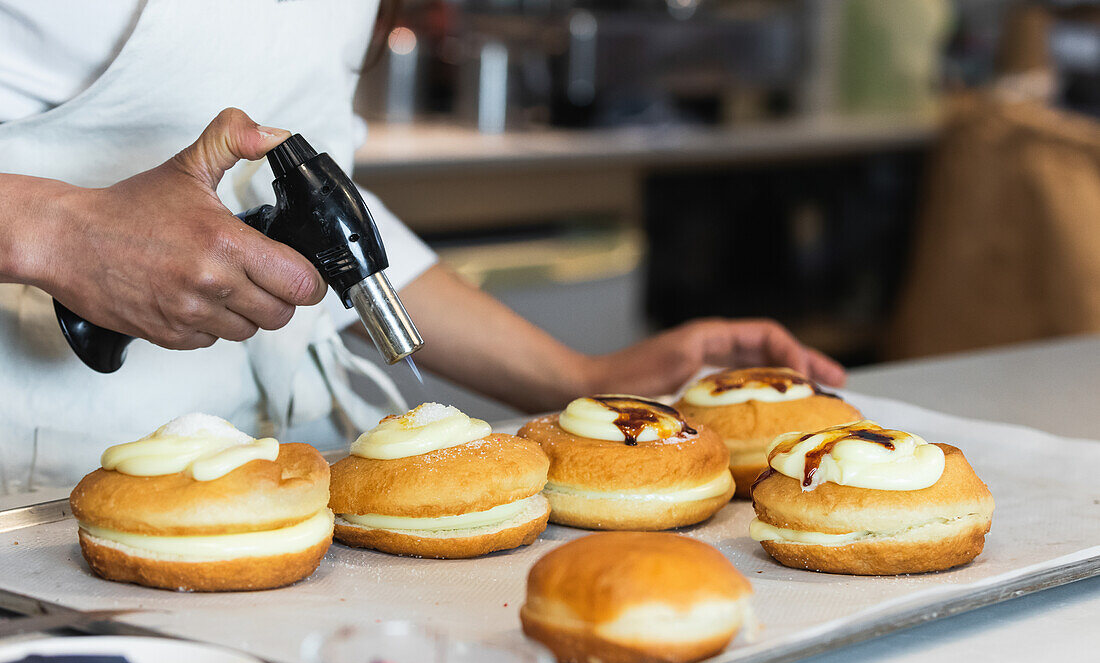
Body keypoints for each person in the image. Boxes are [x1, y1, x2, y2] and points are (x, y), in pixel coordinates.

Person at [0, 0, 843, 490]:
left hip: (269, 461)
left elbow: (309, 196)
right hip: (28, 480)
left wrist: (582, 380)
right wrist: (55, 229)